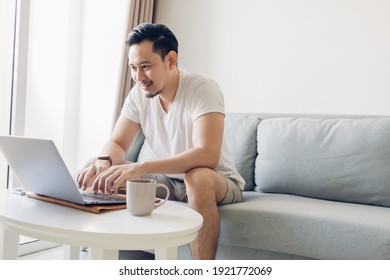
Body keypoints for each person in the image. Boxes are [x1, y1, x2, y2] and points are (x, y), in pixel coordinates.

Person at [76, 23, 245, 260]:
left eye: (145, 67)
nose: (138, 77)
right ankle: (99, 256)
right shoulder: (139, 94)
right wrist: (104, 161)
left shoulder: (202, 88)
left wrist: (141, 167)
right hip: (168, 180)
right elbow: (119, 143)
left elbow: (206, 155)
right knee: (94, 167)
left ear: (171, 60)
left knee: (197, 177)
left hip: (215, 181)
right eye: (133, 68)